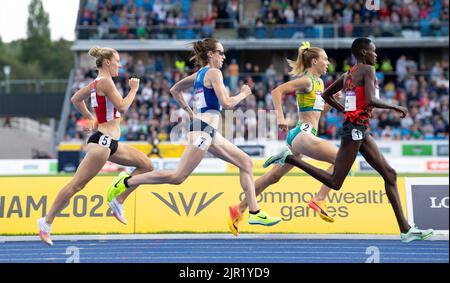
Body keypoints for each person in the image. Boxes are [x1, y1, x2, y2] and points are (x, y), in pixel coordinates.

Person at [264, 38, 434, 243]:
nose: (376, 55)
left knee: (390, 174)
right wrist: (395, 107)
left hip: (360, 129)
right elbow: (370, 99)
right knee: (335, 182)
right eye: (373, 51)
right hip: (355, 131)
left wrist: (344, 110)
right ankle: (291, 159)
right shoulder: (367, 70)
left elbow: (327, 95)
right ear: (363, 53)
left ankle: (405, 229)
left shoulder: (349, 73)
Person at [106, 38, 281, 229]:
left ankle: (250, 212)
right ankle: (127, 180)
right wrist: (244, 93)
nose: (224, 56)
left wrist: (191, 114)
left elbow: (175, 90)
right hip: (203, 132)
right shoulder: (214, 73)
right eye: (220, 52)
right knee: (177, 177)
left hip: (207, 131)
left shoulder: (200, 74)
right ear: (210, 54)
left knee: (245, 162)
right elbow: (227, 104)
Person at [37, 46, 155, 246]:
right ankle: (46, 222)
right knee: (77, 185)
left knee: (146, 166)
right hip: (101, 143)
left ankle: (118, 200)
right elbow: (123, 107)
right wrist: (134, 89)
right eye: (117, 61)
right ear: (107, 62)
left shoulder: (96, 83)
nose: (120, 65)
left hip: (111, 143)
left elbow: (76, 99)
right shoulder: (105, 82)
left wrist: (90, 118)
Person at [229, 41, 341, 236]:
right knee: (341, 160)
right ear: (314, 61)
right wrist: (280, 117)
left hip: (303, 136)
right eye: (325, 59)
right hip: (302, 134)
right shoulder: (306, 81)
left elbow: (318, 111)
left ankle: (238, 209)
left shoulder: (320, 83)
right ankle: (319, 199)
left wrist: (333, 102)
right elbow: (276, 91)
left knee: (273, 177)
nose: (328, 63)